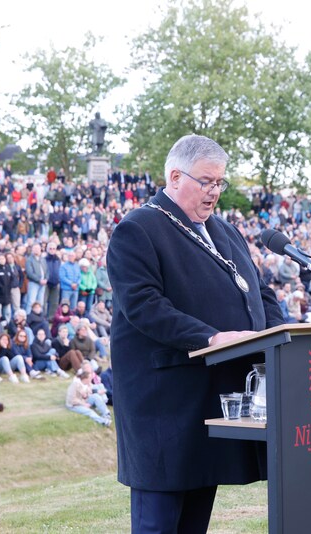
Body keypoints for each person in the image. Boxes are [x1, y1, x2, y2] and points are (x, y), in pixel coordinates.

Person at [107, 134, 283, 532]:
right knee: (159, 522)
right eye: (206, 181)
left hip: (209, 395)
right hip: (166, 402)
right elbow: (144, 305)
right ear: (175, 177)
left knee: (195, 519)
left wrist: (278, 335)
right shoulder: (138, 229)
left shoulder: (224, 230)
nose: (214, 191)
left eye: (220, 182)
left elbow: (260, 291)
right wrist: (210, 337)